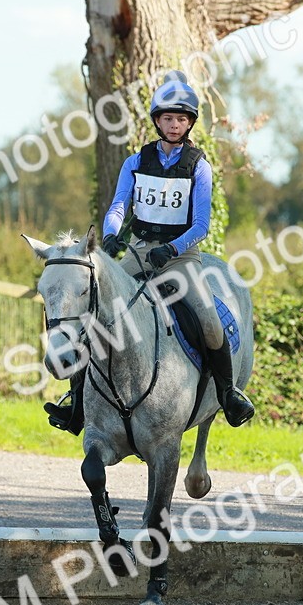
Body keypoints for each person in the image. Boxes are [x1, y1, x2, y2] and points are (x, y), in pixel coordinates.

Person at [45, 71, 255, 435]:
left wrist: (172, 249)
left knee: (209, 320)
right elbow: (118, 206)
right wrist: (111, 235)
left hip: (181, 257)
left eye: (182, 119)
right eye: (168, 118)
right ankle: (77, 402)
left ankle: (227, 394)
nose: (175, 125)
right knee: (95, 315)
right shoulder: (135, 163)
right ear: (157, 121)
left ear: (190, 124)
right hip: (139, 253)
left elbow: (201, 224)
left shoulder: (199, 166)